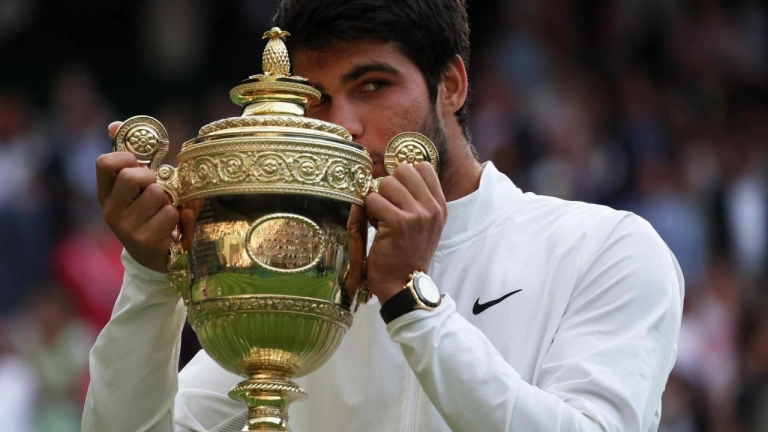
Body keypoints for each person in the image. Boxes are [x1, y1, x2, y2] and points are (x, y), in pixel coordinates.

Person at [83, 0, 685, 431]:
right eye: (315, 99)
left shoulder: (606, 247)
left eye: (372, 85)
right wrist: (151, 279)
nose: (341, 125)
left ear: (451, 85)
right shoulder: (302, 275)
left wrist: (409, 303)